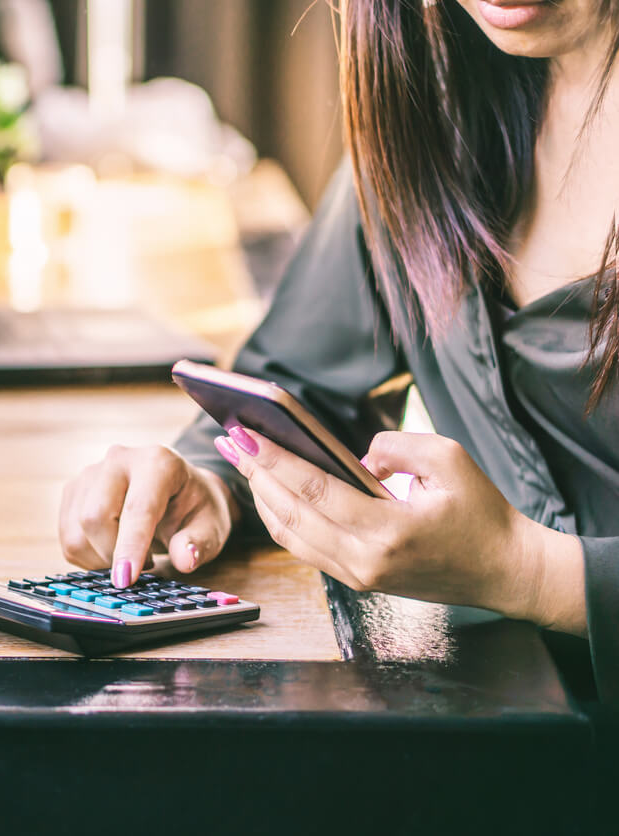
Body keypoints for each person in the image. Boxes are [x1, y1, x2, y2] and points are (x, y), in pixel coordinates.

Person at [57, 0, 619, 701]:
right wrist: (208, 485)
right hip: (499, 735)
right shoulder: (434, 112)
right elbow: (297, 385)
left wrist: (529, 570)